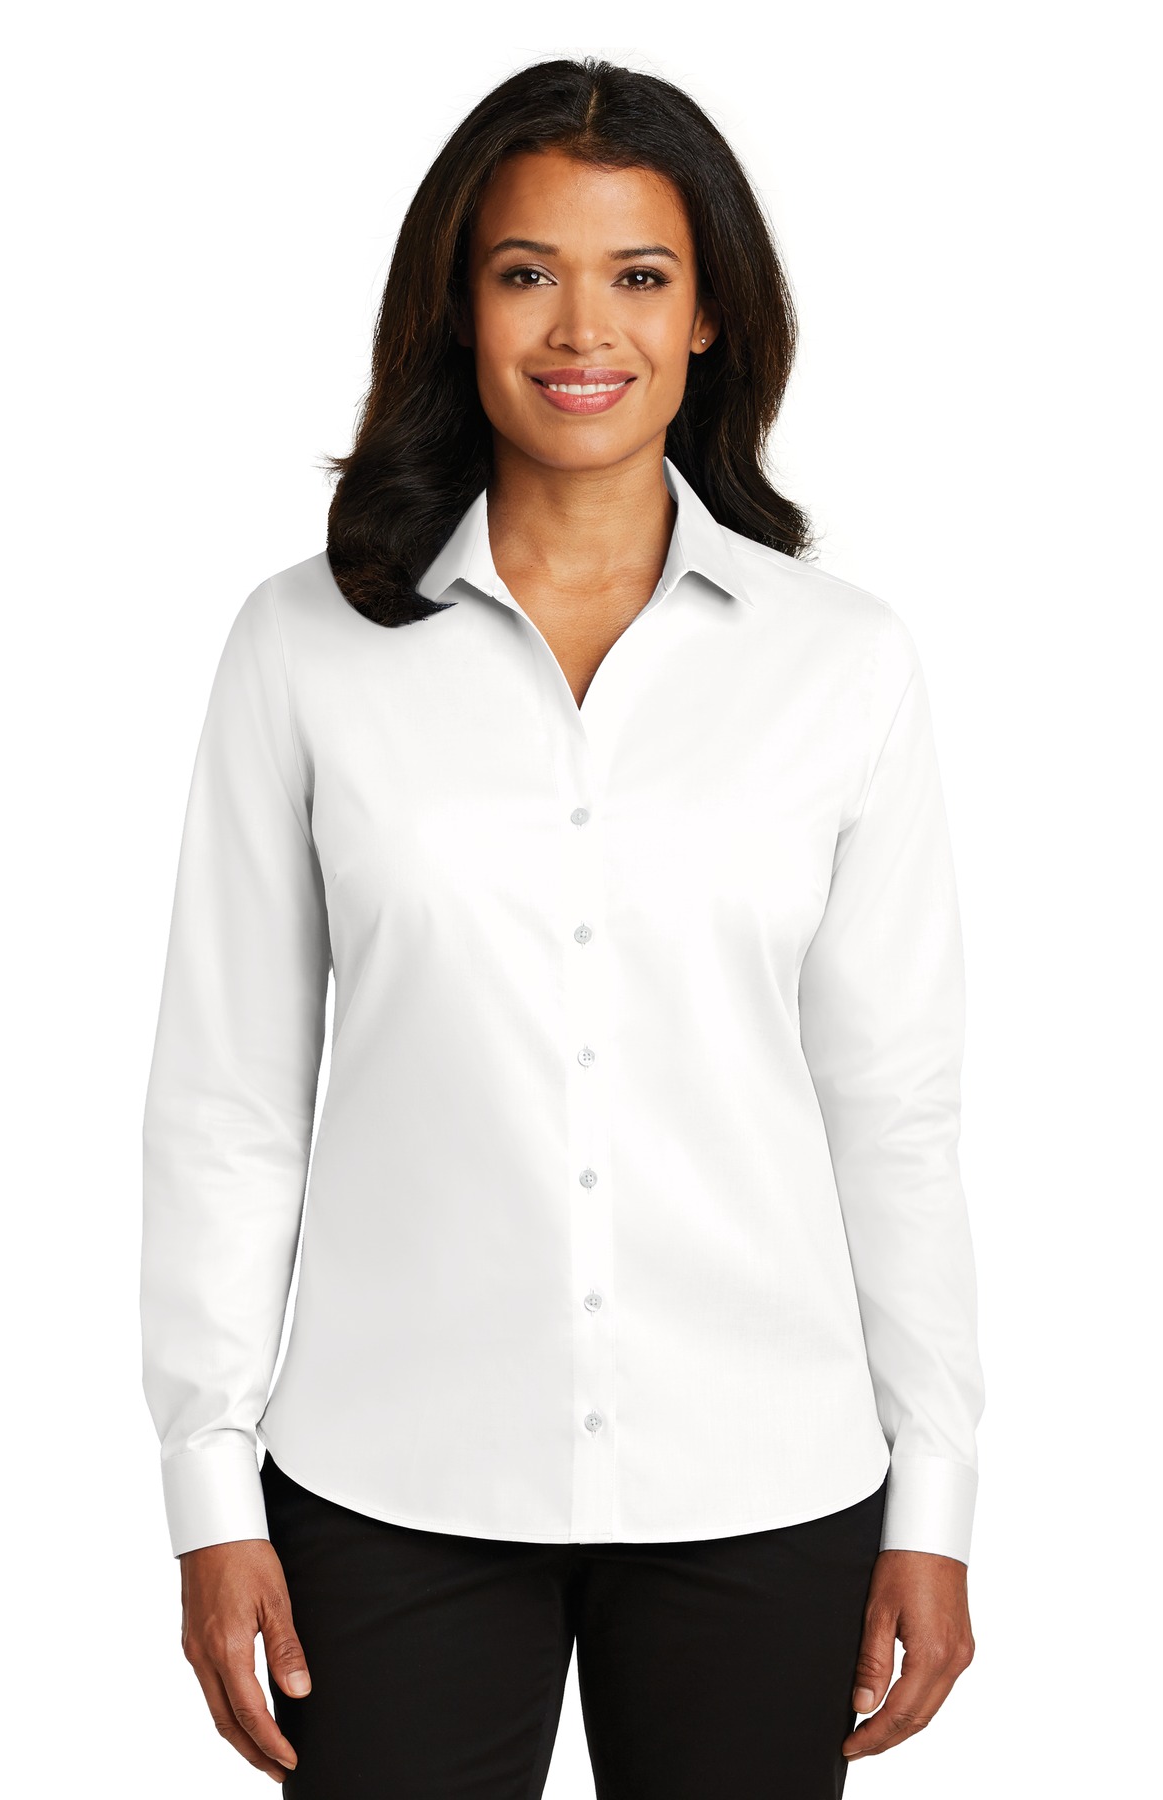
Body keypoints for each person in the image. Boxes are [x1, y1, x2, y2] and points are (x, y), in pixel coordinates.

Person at [141, 55, 984, 1799]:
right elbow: (228, 1099)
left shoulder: (843, 664)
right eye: (526, 271)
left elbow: (893, 1108)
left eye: (640, 276)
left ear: (710, 320)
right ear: (456, 307)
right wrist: (209, 1487)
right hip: (390, 1483)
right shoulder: (303, 646)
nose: (582, 328)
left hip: (765, 1479)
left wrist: (938, 1496)